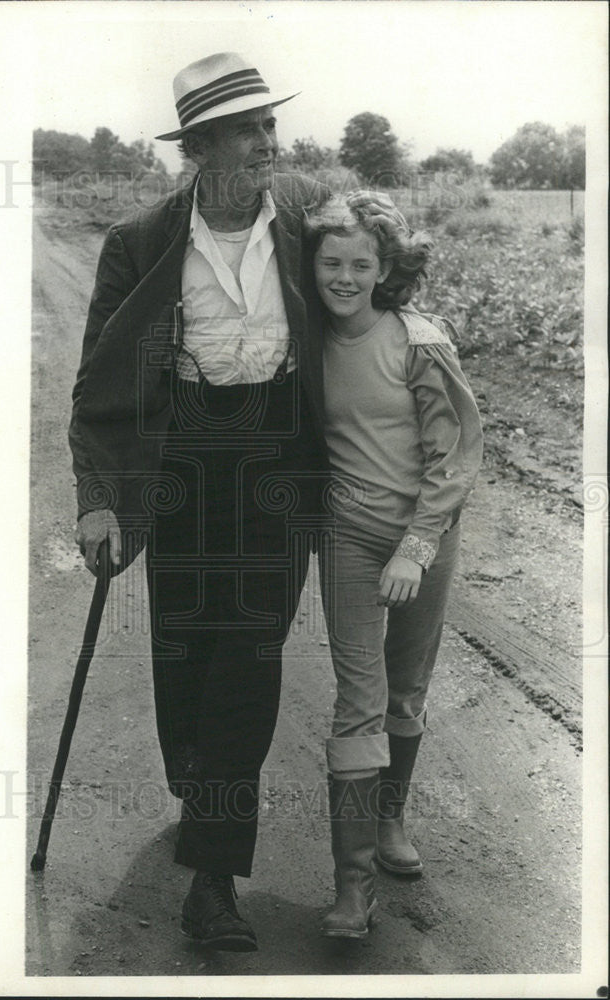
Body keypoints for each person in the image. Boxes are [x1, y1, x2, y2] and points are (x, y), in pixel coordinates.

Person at [69, 52, 334, 951]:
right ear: (202, 146)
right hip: (181, 453)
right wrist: (99, 498)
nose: (271, 140)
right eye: (251, 128)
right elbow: (97, 382)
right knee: (184, 643)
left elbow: (373, 299)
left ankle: (213, 875)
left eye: (269, 124)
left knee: (248, 657)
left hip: (278, 459)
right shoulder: (141, 241)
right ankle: (195, 779)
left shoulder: (306, 221)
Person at [304, 192, 483, 939]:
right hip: (347, 536)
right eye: (330, 262)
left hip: (423, 539)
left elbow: (456, 455)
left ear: (385, 269)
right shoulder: (304, 341)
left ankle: (391, 820)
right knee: (359, 699)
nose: (344, 277)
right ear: (311, 264)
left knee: (406, 690)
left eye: (360, 264)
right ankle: (353, 889)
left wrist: (416, 547)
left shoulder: (418, 340)